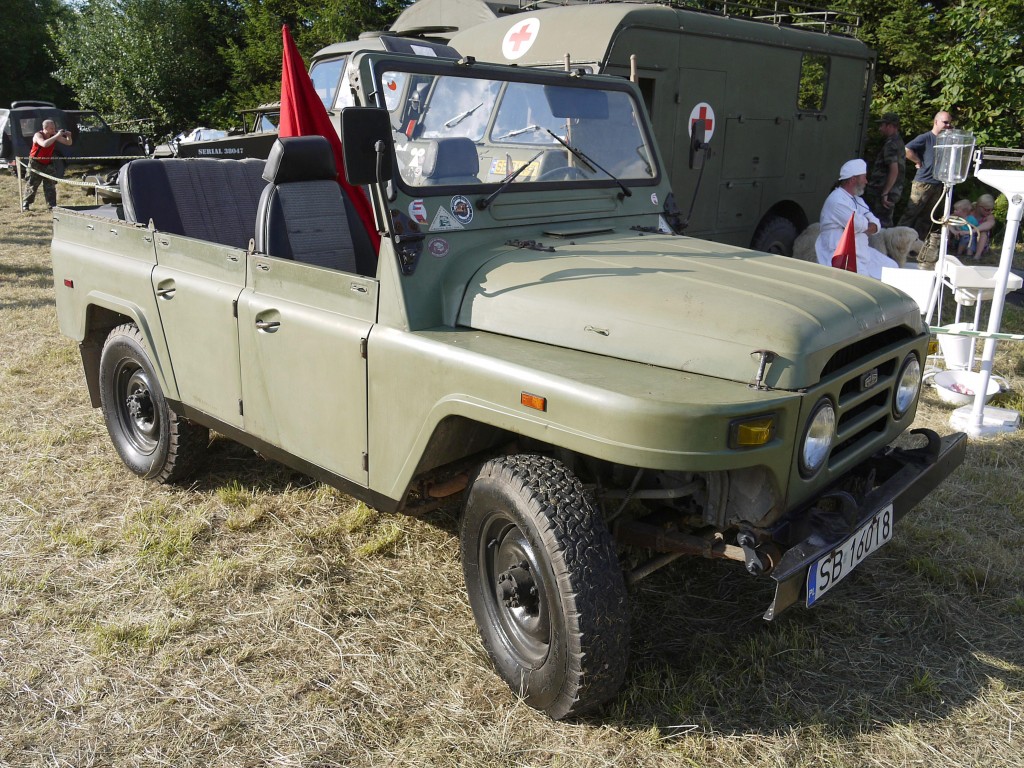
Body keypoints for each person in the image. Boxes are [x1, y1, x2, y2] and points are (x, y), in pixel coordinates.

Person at [815, 158, 898, 280]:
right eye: (864, 177)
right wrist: (866, 224)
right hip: (842, 257)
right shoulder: (836, 200)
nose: (866, 181)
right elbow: (857, 225)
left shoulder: (858, 200)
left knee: (892, 267)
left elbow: (876, 224)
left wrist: (867, 224)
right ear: (853, 179)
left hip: (862, 253)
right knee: (863, 281)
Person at [897, 110, 953, 241]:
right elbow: (906, 150)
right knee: (911, 214)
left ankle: (917, 245)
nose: (948, 126)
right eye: (945, 122)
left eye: (950, 123)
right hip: (923, 183)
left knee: (927, 218)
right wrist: (917, 161)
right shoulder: (926, 137)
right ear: (936, 122)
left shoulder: (947, 140)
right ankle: (896, 241)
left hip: (938, 183)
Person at [21, 119, 73, 211]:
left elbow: (68, 143)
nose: (54, 130)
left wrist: (68, 136)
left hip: (48, 163)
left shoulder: (54, 135)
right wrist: (56, 136)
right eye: (51, 128)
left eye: (54, 128)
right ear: (45, 128)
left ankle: (51, 205)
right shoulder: (38, 135)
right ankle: (26, 204)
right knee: (32, 184)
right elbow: (44, 144)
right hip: (35, 162)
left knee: (50, 184)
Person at [864, 112, 905, 228]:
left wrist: (885, 192)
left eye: (882, 125)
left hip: (881, 191)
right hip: (891, 190)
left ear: (890, 126)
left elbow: (894, 170)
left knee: (880, 224)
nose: (880, 129)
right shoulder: (898, 142)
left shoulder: (891, 144)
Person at [970, 193, 997, 260]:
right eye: (987, 210)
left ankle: (977, 256)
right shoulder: (969, 213)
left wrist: (972, 231)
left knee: (983, 233)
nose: (990, 212)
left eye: (991, 210)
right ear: (979, 206)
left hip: (979, 243)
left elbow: (990, 223)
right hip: (964, 238)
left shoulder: (989, 216)